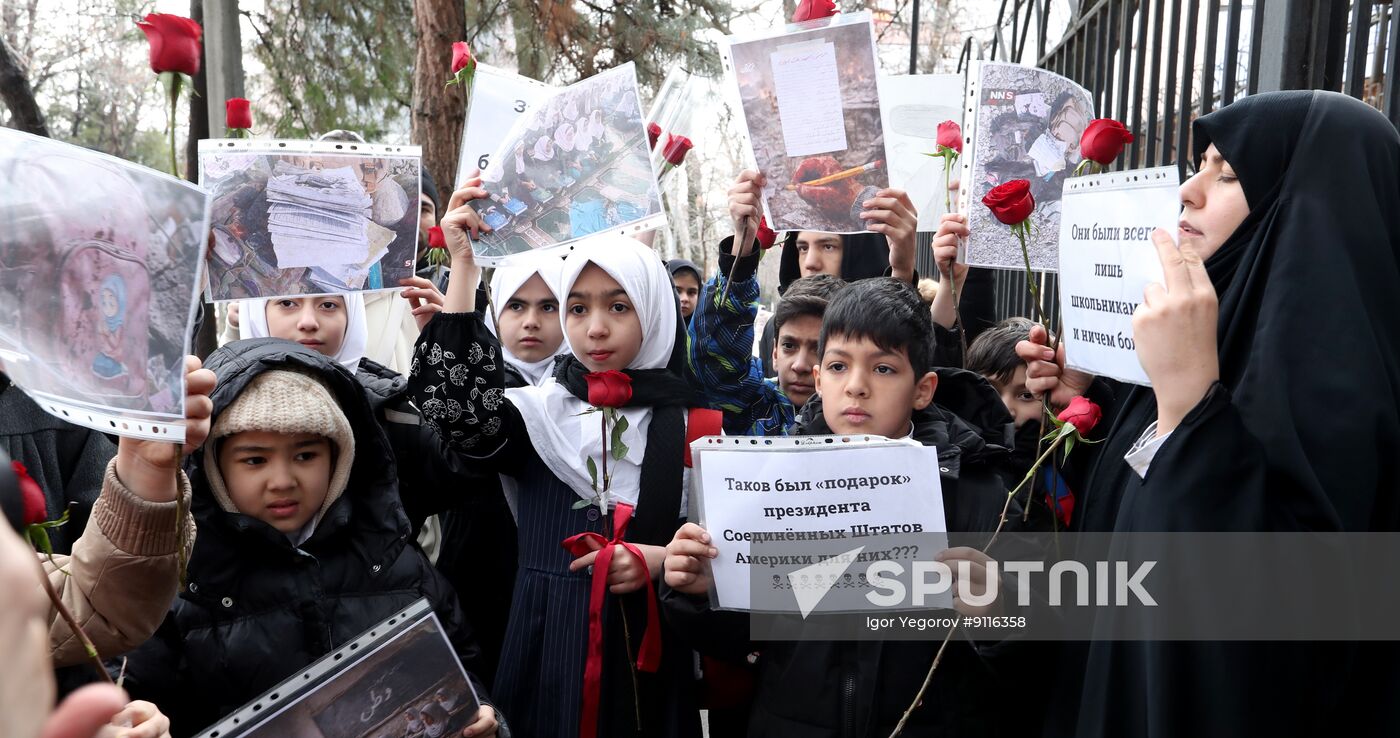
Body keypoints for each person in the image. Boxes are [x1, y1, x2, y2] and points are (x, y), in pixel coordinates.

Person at [1011, 91, 1400, 737]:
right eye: (1200, 166)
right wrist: (1094, 404)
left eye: (1229, 173)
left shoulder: (1345, 385)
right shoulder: (1211, 334)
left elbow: (1281, 630)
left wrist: (1191, 405)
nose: (1188, 191)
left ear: (1306, 207)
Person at [408, 181, 710, 738]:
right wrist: (464, 268)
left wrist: (663, 559)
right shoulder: (537, 413)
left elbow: (722, 555)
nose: (595, 327)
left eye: (618, 306)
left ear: (654, 309)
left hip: (647, 656)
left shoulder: (694, 426)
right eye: (577, 307)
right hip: (546, 641)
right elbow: (456, 411)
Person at [661, 277, 1024, 737]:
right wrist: (700, 592)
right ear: (819, 379)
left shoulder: (982, 495)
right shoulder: (768, 485)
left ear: (923, 388)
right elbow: (745, 640)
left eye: (883, 368)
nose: (856, 387)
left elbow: (1031, 659)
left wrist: (999, 612)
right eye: (838, 366)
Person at [114, 340, 502, 737]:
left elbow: (460, 665)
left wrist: (479, 713)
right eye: (255, 460)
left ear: (340, 456)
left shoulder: (393, 559)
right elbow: (134, 695)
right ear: (214, 466)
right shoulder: (183, 584)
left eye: (305, 456)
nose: (283, 481)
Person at [665, 259, 702, 323]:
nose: (685, 299)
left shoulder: (704, 326)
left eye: (691, 292)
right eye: (677, 291)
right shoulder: (652, 325)